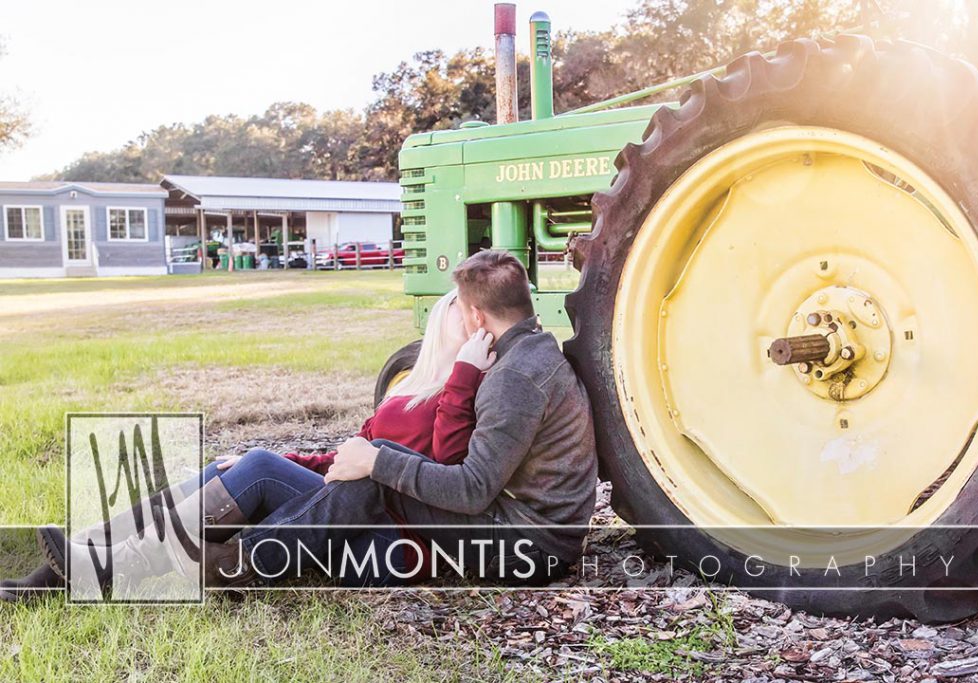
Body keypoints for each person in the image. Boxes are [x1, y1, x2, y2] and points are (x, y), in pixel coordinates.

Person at [1, 289, 491, 602]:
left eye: (473, 316)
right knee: (238, 465)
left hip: (389, 534)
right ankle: (67, 564)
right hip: (353, 501)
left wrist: (466, 372)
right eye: (458, 312)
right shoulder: (413, 387)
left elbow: (446, 469)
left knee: (256, 467)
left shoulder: (463, 392)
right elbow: (351, 453)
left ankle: (104, 564)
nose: (469, 320)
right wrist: (289, 460)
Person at [199, 249, 598, 588]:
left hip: (529, 549)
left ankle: (241, 563)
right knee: (378, 460)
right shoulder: (535, 352)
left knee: (376, 469)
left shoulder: (513, 378)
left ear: (477, 316)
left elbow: (473, 489)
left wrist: (375, 461)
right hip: (539, 535)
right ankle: (242, 554)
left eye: (459, 308)